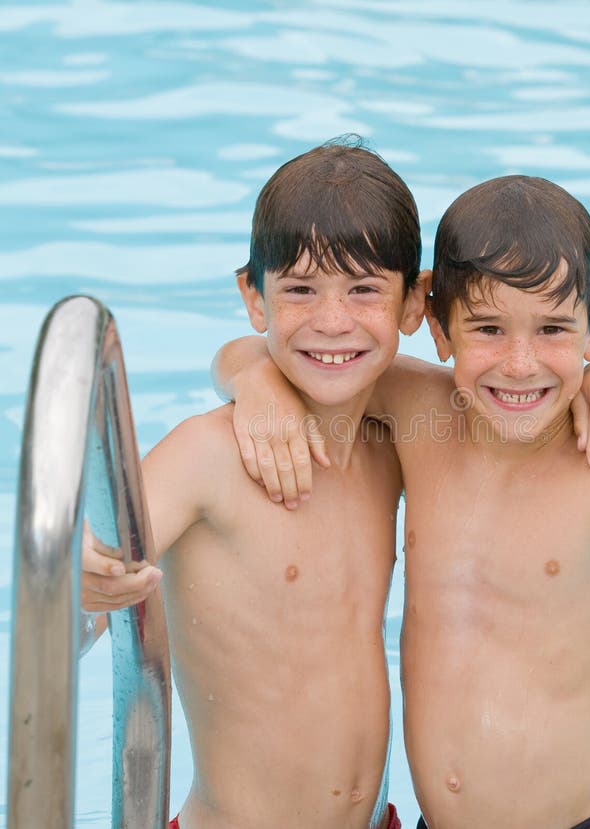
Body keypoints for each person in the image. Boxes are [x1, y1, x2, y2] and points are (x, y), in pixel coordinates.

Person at [210, 175, 590, 829]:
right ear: (441, 331)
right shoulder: (421, 408)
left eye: (555, 329)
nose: (520, 362)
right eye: (488, 329)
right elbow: (286, 350)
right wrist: (254, 380)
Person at [81, 140, 430, 829]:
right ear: (254, 297)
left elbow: (521, 394)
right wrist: (85, 584)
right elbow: (82, 587)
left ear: (415, 302)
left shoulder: (393, 444)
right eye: (299, 289)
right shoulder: (207, 456)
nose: (332, 321)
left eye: (363, 289)